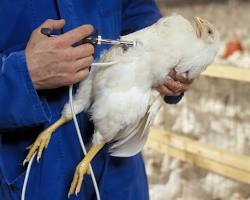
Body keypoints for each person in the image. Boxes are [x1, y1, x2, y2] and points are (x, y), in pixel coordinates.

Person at [0, 1, 191, 199]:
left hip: (118, 179)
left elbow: (139, 13)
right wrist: (20, 76)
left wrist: (168, 57)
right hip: (34, 178)